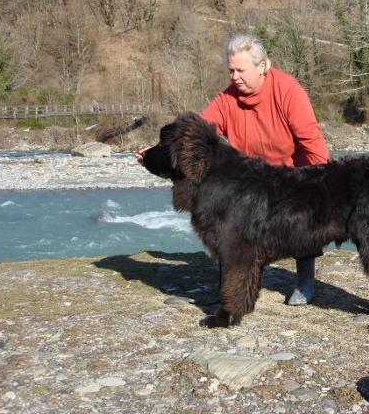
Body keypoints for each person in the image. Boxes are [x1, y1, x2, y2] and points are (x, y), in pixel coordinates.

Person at [136, 33, 330, 305]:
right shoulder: (227, 99)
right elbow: (193, 132)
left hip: (291, 175)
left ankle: (305, 282)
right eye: (230, 70)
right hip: (251, 180)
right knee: (232, 226)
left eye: (241, 70)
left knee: (302, 225)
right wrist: (153, 152)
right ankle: (235, 284)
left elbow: (313, 143)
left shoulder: (289, 90)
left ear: (262, 66)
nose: (235, 76)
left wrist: (322, 187)